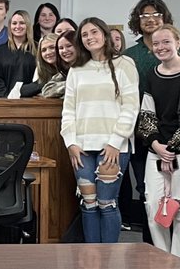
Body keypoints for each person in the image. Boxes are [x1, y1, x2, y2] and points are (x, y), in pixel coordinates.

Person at [61, 17, 140, 244]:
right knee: (88, 203)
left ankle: (110, 259)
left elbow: (131, 106)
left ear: (104, 35)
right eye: (84, 35)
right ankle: (91, 257)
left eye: (94, 32)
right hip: (82, 148)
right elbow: (68, 109)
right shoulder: (76, 69)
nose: (89, 38)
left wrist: (115, 142)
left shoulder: (125, 64)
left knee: (107, 203)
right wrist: (70, 143)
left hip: (113, 147)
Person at [136, 24, 180, 259]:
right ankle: (162, 259)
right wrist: (157, 145)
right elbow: (146, 115)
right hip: (157, 151)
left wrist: (173, 148)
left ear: (178, 43)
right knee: (153, 205)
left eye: (166, 42)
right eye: (156, 43)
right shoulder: (152, 74)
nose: (161, 47)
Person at [0, 10, 37, 98]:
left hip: (30, 100)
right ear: (10, 26)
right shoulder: (0, 50)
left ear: (28, 25)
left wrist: (24, 93)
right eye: (14, 23)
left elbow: (40, 78)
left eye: (22, 23)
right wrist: (6, 97)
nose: (18, 26)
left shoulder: (37, 49)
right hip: (5, 101)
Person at [20, 33, 60, 98]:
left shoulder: (70, 70)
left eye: (52, 47)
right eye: (44, 50)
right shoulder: (44, 73)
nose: (48, 52)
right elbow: (23, 91)